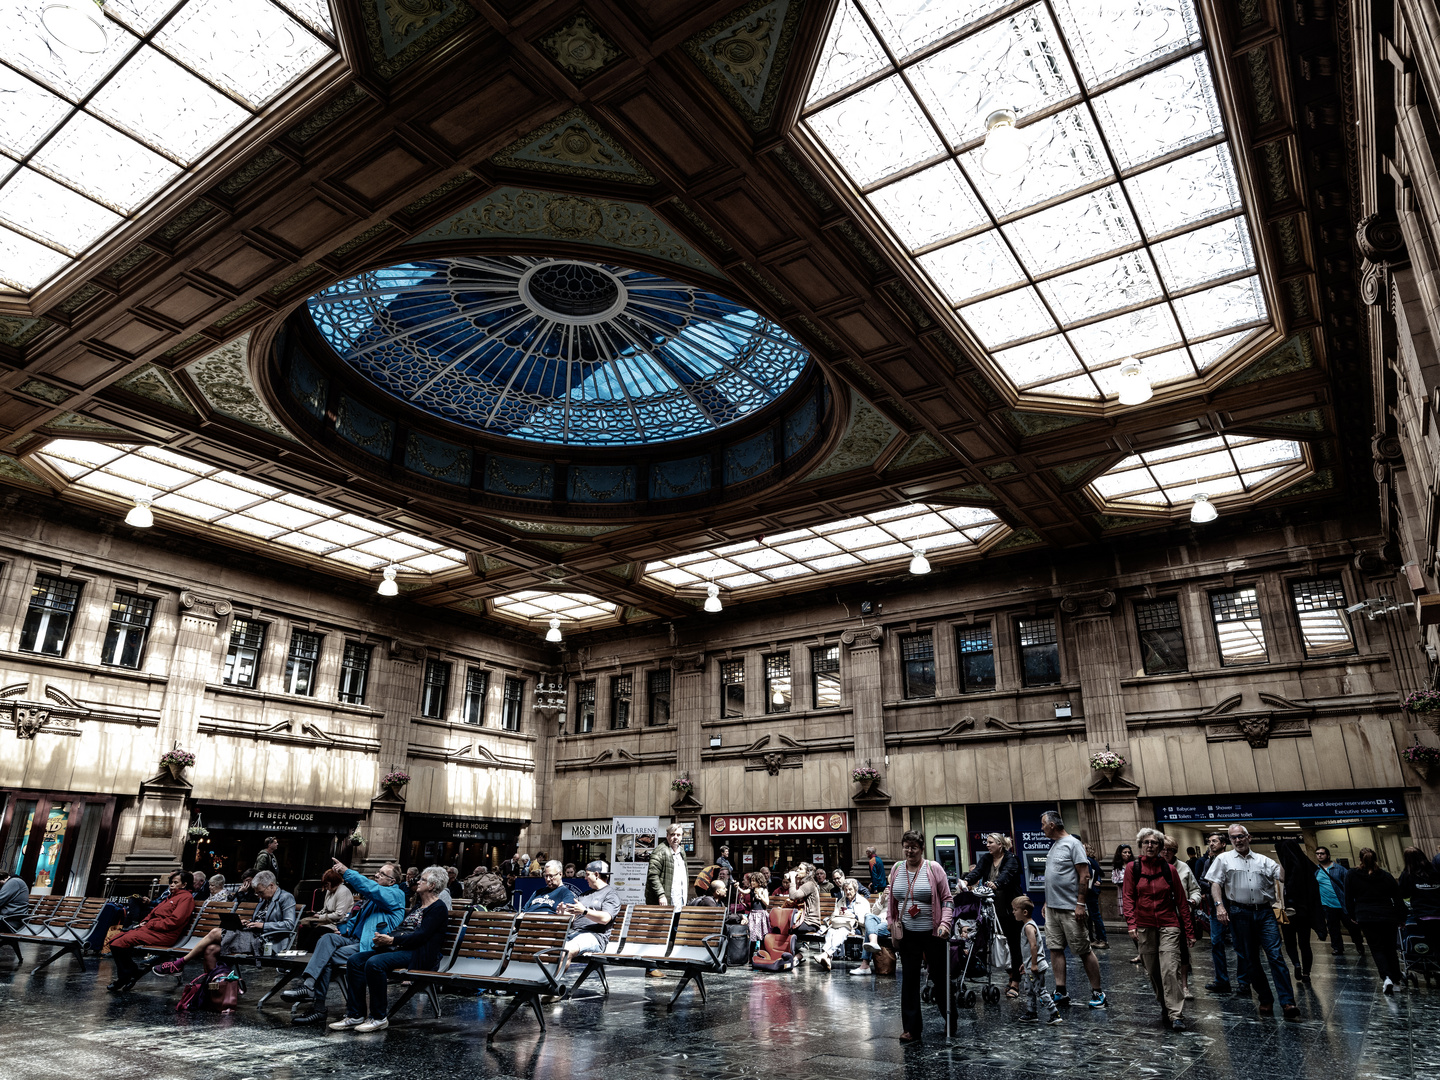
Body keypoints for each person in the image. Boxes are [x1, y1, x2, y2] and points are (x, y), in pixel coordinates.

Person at [282, 860, 405, 1026]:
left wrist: (347, 872)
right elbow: (358, 919)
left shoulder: (395, 895)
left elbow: (370, 888)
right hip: (353, 939)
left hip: (369, 946)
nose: (377, 874)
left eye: (382, 874)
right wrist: (344, 928)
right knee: (326, 938)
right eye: (378, 871)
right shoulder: (376, 898)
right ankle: (309, 986)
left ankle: (318, 1008)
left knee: (326, 959)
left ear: (392, 882)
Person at [332, 865, 450, 1033]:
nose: (418, 881)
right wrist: (384, 939)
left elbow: (421, 936)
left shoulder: (438, 908)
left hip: (420, 954)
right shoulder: (419, 906)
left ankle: (378, 1017)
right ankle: (355, 1014)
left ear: (432, 885)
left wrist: (392, 939)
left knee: (375, 963)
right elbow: (404, 928)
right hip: (402, 949)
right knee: (355, 960)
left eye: (423, 880)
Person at [1205, 824, 1298, 1020]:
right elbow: (1215, 883)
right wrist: (1220, 906)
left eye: (1240, 836)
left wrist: (1285, 856)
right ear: (1230, 841)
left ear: (1249, 837)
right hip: (1239, 913)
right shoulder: (1224, 859)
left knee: (1275, 956)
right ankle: (1265, 997)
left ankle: (1288, 1002)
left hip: (1264, 913)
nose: (1237, 840)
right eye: (1233, 838)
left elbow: (1281, 876)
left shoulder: (1263, 860)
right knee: (1249, 958)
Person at [153, 870, 295, 976]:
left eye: (260, 892)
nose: (258, 896)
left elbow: (289, 925)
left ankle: (179, 963)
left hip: (266, 942)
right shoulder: (265, 898)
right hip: (253, 935)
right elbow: (260, 918)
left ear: (271, 885)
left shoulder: (286, 898)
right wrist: (250, 923)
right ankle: (214, 987)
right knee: (210, 950)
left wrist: (262, 925)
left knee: (215, 932)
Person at [888, 830, 954, 1045]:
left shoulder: (934, 868)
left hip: (932, 933)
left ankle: (950, 1018)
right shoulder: (897, 869)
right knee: (909, 980)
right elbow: (892, 902)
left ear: (921, 848)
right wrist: (891, 923)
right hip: (907, 934)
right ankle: (911, 1028)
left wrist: (945, 923)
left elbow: (947, 899)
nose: (909, 851)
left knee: (939, 977)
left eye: (913, 847)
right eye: (906, 846)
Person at [1125, 828, 1194, 1030]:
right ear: (1141, 845)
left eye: (1154, 843)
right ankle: (1165, 1004)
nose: (1150, 846)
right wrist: (1131, 924)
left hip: (1169, 924)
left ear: (1160, 847)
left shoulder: (1169, 870)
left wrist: (1188, 931)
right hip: (1145, 925)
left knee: (1169, 969)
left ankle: (1176, 1014)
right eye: (1146, 842)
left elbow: (1181, 902)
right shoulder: (1133, 868)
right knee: (1153, 970)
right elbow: (1128, 897)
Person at [1041, 811, 1105, 1008]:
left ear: (1052, 824)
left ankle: (1097, 991)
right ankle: (1061, 990)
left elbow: (1084, 875)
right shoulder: (1054, 846)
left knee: (1083, 949)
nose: (1041, 827)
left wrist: (1080, 903)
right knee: (1055, 948)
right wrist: (1046, 902)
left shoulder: (1073, 844)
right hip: (1052, 908)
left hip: (1070, 908)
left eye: (1043, 824)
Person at [107, 872, 196, 992]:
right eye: (171, 882)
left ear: (184, 884)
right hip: (153, 930)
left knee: (119, 943)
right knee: (114, 941)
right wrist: (145, 921)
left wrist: (151, 924)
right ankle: (131, 972)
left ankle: (125, 976)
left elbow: (175, 921)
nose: (171, 885)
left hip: (164, 935)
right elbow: (153, 913)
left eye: (176, 883)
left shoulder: (186, 898)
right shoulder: (171, 896)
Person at [962, 832, 1022, 997]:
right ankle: (1009, 977)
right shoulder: (987, 859)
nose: (987, 845)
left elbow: (1007, 875)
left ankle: (1015, 982)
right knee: (998, 944)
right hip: (992, 911)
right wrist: (966, 881)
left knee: (1013, 945)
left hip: (1010, 910)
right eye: (987, 842)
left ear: (1000, 845)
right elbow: (977, 872)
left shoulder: (1011, 859)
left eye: (990, 842)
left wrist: (996, 883)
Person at [1345, 847, 1406, 993]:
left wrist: (1353, 915)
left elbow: (1348, 897)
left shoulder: (1352, 874)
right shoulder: (1385, 876)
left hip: (1366, 916)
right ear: (1376, 858)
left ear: (1360, 859)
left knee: (1376, 948)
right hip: (1387, 915)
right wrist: (1401, 917)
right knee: (1390, 948)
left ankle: (1386, 977)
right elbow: (1397, 897)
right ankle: (1396, 978)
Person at [1193, 832, 1242, 994]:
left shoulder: (1233, 859)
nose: (1211, 844)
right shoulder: (1208, 861)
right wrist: (1214, 885)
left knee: (1239, 944)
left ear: (1223, 843)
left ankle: (1244, 981)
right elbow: (1202, 881)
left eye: (1214, 841)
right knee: (1216, 943)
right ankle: (1222, 980)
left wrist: (1215, 883)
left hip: (1234, 907)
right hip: (1215, 908)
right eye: (1209, 841)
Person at [1274, 839, 1323, 981]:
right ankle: (1307, 973)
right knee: (1305, 943)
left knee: (1289, 942)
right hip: (1303, 912)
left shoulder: (1285, 866)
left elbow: (1281, 879)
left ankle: (1296, 964)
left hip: (1283, 911)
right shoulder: (1306, 866)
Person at [558, 860, 622, 967]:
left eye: (587, 874)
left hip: (594, 937)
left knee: (566, 951)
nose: (585, 878)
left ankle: (550, 983)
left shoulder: (611, 894)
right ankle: (537, 980)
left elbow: (605, 918)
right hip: (574, 933)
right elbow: (573, 917)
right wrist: (563, 914)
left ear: (596, 874)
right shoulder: (584, 895)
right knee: (546, 947)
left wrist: (584, 911)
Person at [1013, 895, 1060, 1024]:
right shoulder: (1029, 925)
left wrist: (1033, 964)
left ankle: (1054, 1013)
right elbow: (1030, 949)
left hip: (1036, 966)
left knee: (1040, 990)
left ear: (1024, 912)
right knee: (1029, 989)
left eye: (1015, 910)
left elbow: (1034, 946)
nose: (1013, 912)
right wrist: (1026, 963)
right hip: (1031, 965)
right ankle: (1031, 1012)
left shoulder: (1028, 927)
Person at [1315, 846, 1364, 955]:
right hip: (1327, 905)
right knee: (1333, 928)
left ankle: (1359, 944)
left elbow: (1350, 885)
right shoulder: (1316, 871)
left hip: (1343, 903)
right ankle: (1337, 947)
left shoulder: (1339, 869)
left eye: (1322, 853)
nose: (1319, 855)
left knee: (1352, 927)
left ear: (1328, 855)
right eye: (1317, 853)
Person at [296, 868, 355, 951]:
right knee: (304, 928)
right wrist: (316, 914)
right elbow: (325, 909)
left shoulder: (343, 891)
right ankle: (299, 952)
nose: (325, 888)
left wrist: (320, 917)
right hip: (327, 921)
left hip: (337, 923)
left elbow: (339, 915)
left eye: (327, 885)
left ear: (333, 882)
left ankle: (308, 954)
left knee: (315, 933)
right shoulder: (329, 891)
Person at [1398, 845, 1440, 957]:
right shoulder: (1435, 871)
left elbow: (1403, 893)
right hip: (1437, 911)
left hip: (1423, 915)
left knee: (1433, 944)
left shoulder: (1407, 874)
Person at [819, 879, 867, 971]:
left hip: (856, 928)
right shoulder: (841, 901)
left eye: (850, 889)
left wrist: (854, 916)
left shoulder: (863, 902)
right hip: (840, 924)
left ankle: (826, 954)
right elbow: (833, 917)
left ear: (855, 890)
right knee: (831, 931)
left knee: (842, 931)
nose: (848, 892)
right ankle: (827, 958)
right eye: (846, 890)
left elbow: (865, 921)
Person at [850, 886, 891, 976]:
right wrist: (882, 899)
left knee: (870, 931)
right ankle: (873, 941)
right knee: (868, 915)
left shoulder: (902, 893)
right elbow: (874, 912)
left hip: (890, 922)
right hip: (879, 919)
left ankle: (865, 965)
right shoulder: (885, 894)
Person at [1112, 843, 1141, 967]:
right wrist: (1127, 879)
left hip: (1136, 898)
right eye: (1125, 852)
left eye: (1129, 852)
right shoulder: (1117, 867)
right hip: (1123, 898)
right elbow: (1115, 880)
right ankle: (1140, 953)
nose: (1127, 854)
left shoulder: (1135, 865)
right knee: (1131, 926)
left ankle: (1144, 952)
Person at [785, 865, 821, 941]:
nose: (797, 870)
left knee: (788, 929)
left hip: (810, 922)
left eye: (800, 869)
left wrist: (792, 880)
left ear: (807, 873)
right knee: (782, 926)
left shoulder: (810, 884)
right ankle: (796, 951)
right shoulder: (803, 884)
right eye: (797, 868)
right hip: (803, 920)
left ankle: (798, 951)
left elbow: (793, 896)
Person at [1084, 842, 1109, 949]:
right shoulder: (1093, 861)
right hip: (1094, 890)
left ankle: (1102, 939)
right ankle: (1095, 938)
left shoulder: (1087, 861)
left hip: (1090, 892)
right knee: (1092, 916)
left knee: (1094, 916)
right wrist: (1098, 881)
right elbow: (1099, 873)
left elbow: (1089, 875)